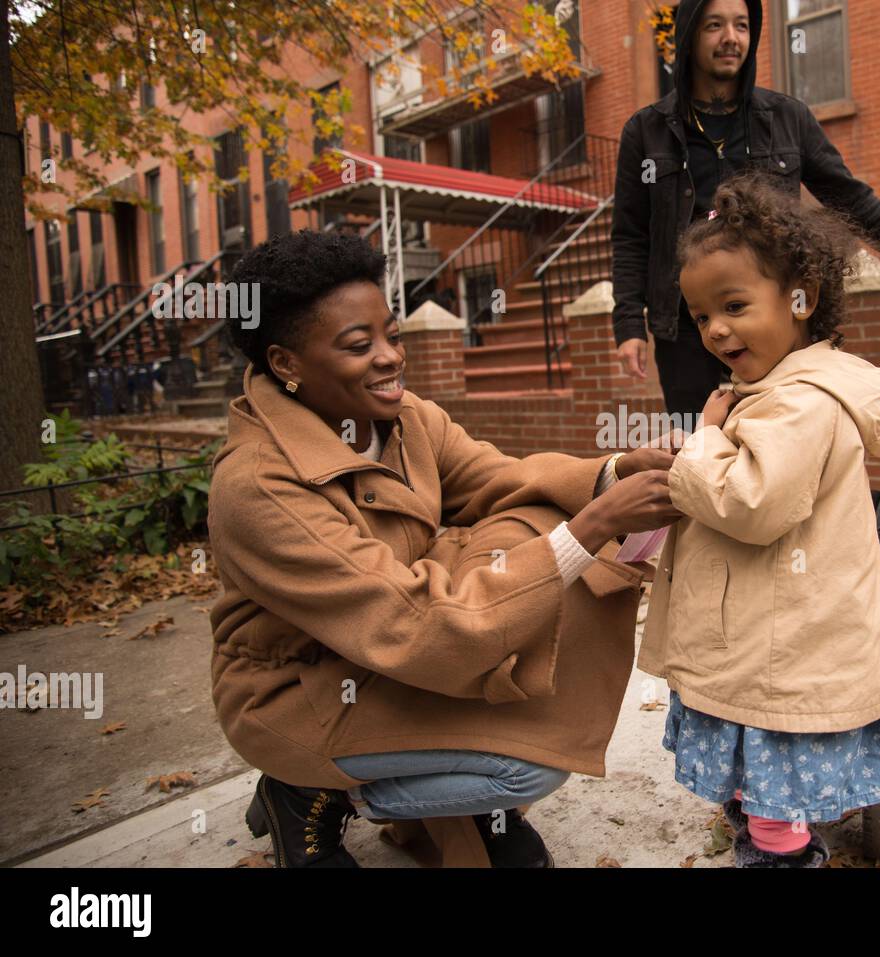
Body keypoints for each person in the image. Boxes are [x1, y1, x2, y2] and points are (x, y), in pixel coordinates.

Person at [207, 230, 681, 867]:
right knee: (523, 769)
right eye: (358, 345)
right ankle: (305, 790)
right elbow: (410, 624)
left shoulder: (405, 419)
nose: (389, 359)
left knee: (537, 510)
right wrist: (592, 528)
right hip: (306, 688)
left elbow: (497, 480)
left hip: (399, 650)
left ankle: (452, 801)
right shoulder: (258, 485)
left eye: (393, 335)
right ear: (286, 364)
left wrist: (614, 472)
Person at [637, 173, 880, 867]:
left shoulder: (800, 402)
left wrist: (703, 439)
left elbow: (751, 504)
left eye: (734, 305)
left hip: (784, 653)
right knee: (762, 790)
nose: (714, 329)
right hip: (769, 643)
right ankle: (766, 839)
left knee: (775, 804)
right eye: (702, 315)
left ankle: (780, 856)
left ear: (800, 297)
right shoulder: (772, 390)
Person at [611, 0, 880, 419]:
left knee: (786, 432)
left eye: (741, 25)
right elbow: (630, 235)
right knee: (696, 440)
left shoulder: (787, 118)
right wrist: (629, 324)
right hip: (687, 323)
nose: (731, 38)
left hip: (772, 315)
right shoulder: (646, 131)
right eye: (714, 26)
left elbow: (851, 199)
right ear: (688, 35)